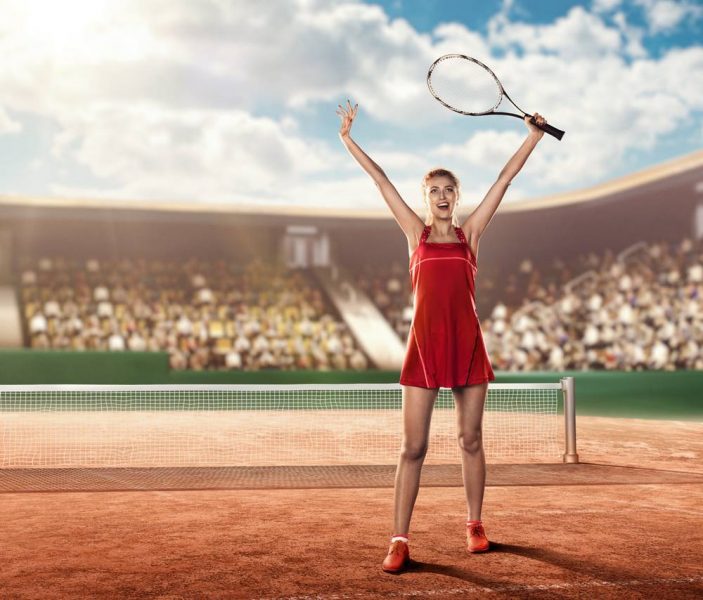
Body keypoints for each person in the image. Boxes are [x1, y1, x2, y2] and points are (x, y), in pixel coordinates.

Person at [336, 99, 547, 573]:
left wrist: (532, 138)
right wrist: (349, 140)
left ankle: (475, 525)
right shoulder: (416, 236)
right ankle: (399, 540)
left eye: (449, 189)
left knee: (470, 439)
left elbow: (503, 180)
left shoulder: (471, 235)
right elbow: (381, 182)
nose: (442, 195)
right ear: (426, 198)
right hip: (425, 349)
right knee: (413, 448)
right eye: (434, 190)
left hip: (468, 345)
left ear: (457, 195)